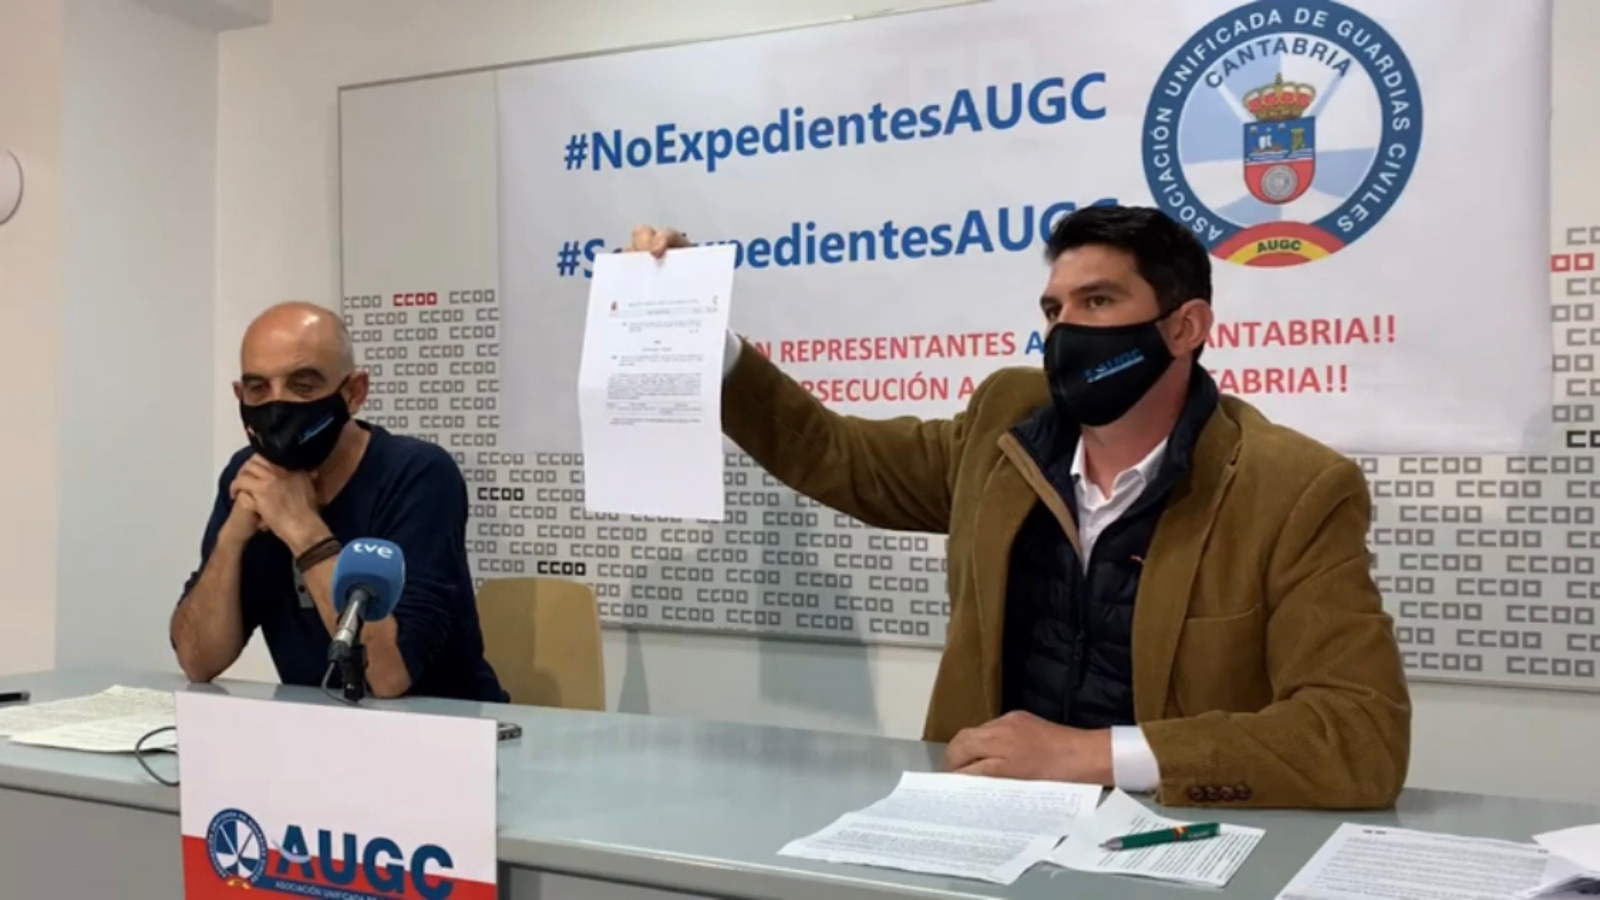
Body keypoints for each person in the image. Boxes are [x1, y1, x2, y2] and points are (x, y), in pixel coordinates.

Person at [628, 208, 1410, 809]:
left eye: (1098, 301)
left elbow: (1358, 735)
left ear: (1185, 327)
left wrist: (1090, 756)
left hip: (1169, 837)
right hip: (983, 823)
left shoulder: (1292, 488)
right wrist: (699, 336)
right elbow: (837, 455)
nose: (1066, 329)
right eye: (1054, 308)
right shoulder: (1005, 426)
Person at [171, 302, 507, 703]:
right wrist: (231, 540)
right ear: (240, 395)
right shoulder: (249, 478)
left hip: (447, 726)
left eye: (303, 385)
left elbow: (387, 677)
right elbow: (198, 661)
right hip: (318, 725)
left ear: (354, 392)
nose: (277, 407)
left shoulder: (418, 474)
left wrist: (301, 528)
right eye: (258, 389)